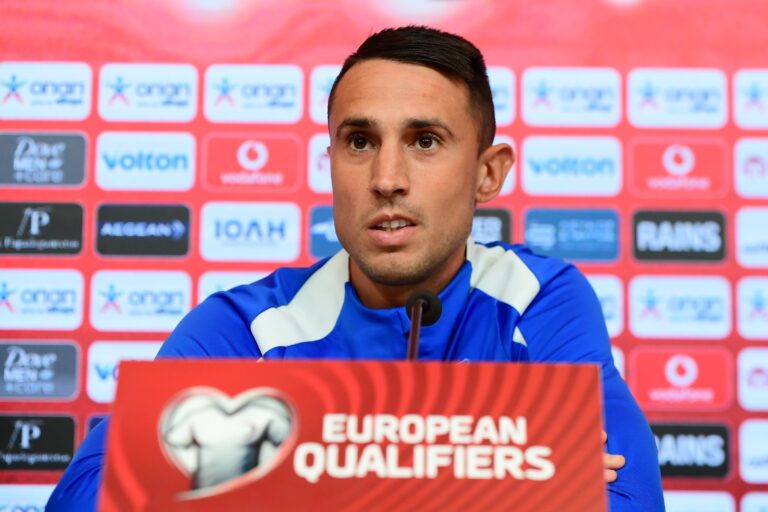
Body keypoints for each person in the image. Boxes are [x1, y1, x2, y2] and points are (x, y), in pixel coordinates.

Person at [47, 26, 664, 510]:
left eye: (425, 141)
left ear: (487, 173)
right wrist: (490, 471)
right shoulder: (246, 325)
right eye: (360, 142)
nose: (386, 179)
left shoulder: (538, 297)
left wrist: (271, 472)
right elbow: (89, 496)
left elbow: (627, 500)